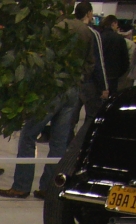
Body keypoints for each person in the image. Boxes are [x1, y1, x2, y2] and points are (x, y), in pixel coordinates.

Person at [0, 87, 79, 200]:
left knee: (27, 137)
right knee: (59, 143)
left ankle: (21, 186)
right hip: (72, 89)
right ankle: (49, 187)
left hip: (52, 90)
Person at [67, 2, 108, 138]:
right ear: (89, 13)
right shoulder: (92, 34)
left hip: (71, 80)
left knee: (69, 118)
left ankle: (68, 144)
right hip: (88, 82)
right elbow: (98, 61)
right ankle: (80, 142)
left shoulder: (69, 30)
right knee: (92, 116)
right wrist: (104, 86)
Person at [100, 16, 130, 95]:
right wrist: (118, 73)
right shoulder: (120, 39)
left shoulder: (99, 36)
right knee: (111, 98)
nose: (117, 27)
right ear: (113, 23)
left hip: (99, 76)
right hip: (113, 76)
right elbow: (125, 60)